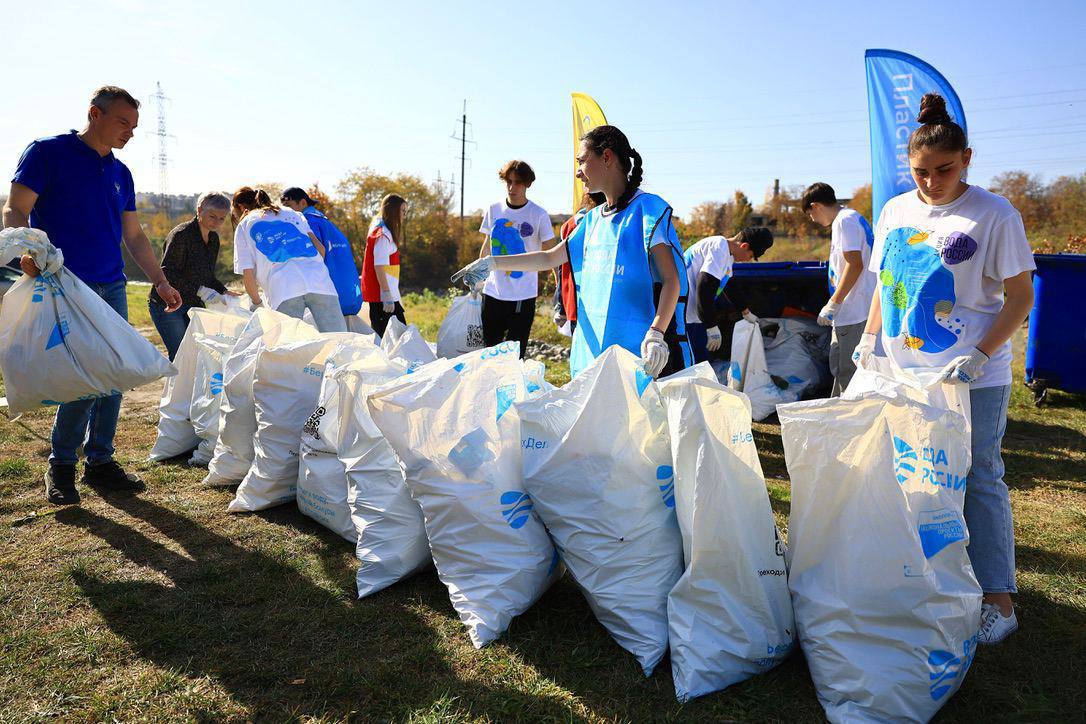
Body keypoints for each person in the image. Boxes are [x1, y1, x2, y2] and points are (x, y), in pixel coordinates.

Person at [852, 93, 1035, 645]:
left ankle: (999, 598)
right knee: (908, 470)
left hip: (970, 376)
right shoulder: (895, 211)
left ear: (968, 158)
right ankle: (923, 572)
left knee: (978, 474)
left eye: (944, 170)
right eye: (920, 173)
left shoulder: (994, 213)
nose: (931, 183)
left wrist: (980, 356)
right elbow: (886, 282)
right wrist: (867, 339)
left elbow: (1021, 295)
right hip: (903, 373)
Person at [1, 85, 182, 504]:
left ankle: (100, 461)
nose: (130, 133)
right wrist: (28, 249)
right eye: (123, 122)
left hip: (112, 283)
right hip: (65, 285)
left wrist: (160, 280)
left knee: (115, 373)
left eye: (135, 127)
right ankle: (61, 466)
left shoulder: (120, 173)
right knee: (86, 376)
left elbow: (134, 236)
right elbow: (15, 209)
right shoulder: (47, 153)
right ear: (94, 114)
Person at [454, 125, 691, 379]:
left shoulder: (647, 210)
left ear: (607, 158)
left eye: (582, 161)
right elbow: (549, 257)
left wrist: (656, 333)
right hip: (595, 356)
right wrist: (492, 263)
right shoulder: (591, 221)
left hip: (638, 356)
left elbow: (671, 279)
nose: (578, 172)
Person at [230, 186, 347, 333]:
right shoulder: (292, 213)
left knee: (290, 349)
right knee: (339, 341)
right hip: (320, 282)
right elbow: (321, 250)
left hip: (283, 288)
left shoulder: (245, 225)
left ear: (240, 207)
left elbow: (248, 274)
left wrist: (257, 304)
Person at [802, 181, 877, 395]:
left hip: (855, 311)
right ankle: (839, 414)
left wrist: (834, 303)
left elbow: (855, 264)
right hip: (852, 310)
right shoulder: (847, 220)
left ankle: (850, 422)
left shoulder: (845, 221)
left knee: (848, 370)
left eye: (810, 214)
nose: (812, 219)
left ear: (815, 206)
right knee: (840, 366)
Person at [477, 160, 555, 358]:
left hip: (522, 296)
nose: (512, 187)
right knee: (489, 355)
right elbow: (487, 245)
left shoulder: (539, 214)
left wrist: (560, 288)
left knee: (514, 358)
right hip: (493, 293)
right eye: (509, 182)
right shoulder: (494, 209)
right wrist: (478, 277)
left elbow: (552, 253)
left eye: (518, 182)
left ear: (527, 184)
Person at [149, 191, 240, 360]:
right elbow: (167, 271)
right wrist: (201, 290)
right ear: (199, 210)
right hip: (168, 303)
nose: (217, 222)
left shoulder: (214, 239)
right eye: (212, 216)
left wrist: (223, 291)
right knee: (180, 356)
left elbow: (208, 275)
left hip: (194, 305)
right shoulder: (181, 235)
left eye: (222, 218)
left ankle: (191, 388)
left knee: (196, 356)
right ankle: (177, 387)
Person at [683, 227, 773, 363]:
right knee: (692, 362)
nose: (748, 260)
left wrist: (745, 311)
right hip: (684, 316)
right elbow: (704, 288)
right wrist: (711, 325)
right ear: (744, 246)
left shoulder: (727, 256)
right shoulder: (719, 248)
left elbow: (729, 286)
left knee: (700, 361)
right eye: (750, 256)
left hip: (694, 316)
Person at [280, 187, 363, 319]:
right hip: (347, 296)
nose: (285, 211)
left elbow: (315, 255)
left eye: (288, 206)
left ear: (302, 203)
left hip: (326, 298)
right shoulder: (324, 220)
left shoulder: (307, 222)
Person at [553, 191, 605, 334]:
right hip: (587, 305)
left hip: (582, 305)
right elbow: (563, 268)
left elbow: (561, 268)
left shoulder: (571, 224)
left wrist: (561, 306)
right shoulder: (575, 224)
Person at [361, 193, 407, 337]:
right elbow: (379, 266)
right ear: (393, 211)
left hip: (388, 295)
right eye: (402, 211)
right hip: (382, 297)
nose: (404, 215)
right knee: (389, 338)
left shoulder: (386, 233)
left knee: (398, 337)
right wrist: (387, 294)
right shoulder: (382, 235)